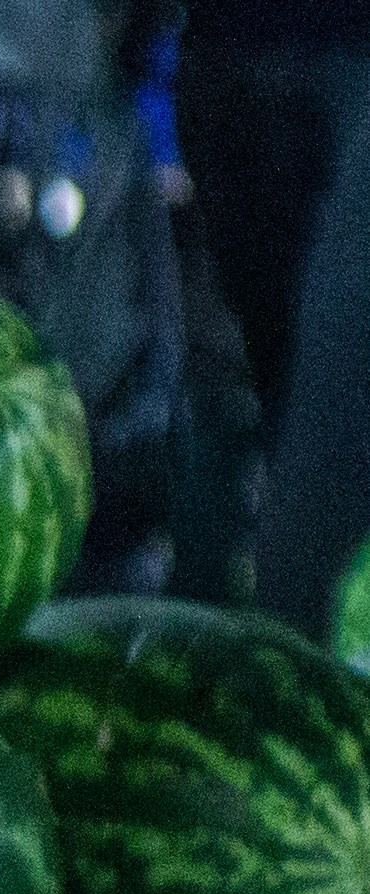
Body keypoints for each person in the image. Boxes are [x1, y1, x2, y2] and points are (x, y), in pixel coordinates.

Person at [177, 0, 370, 634]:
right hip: (250, 62)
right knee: (278, 379)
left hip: (267, 60)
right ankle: (233, 634)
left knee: (299, 392)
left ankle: (246, 639)